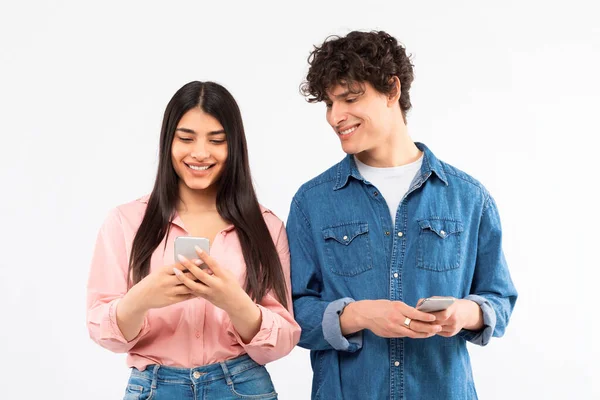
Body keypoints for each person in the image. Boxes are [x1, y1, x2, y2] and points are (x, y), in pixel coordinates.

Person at [287, 30, 518, 399]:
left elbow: (499, 300)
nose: (335, 117)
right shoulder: (311, 202)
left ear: (392, 91)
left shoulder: (468, 197)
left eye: (349, 98)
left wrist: (464, 312)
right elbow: (293, 315)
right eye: (329, 104)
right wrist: (359, 315)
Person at [87, 81, 300, 400]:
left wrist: (236, 303)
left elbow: (283, 340)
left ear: (234, 147)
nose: (200, 153)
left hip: (242, 385)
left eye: (217, 140)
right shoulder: (125, 221)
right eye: (186, 138)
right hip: (155, 388)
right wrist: (141, 298)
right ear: (167, 142)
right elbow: (102, 331)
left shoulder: (266, 226)